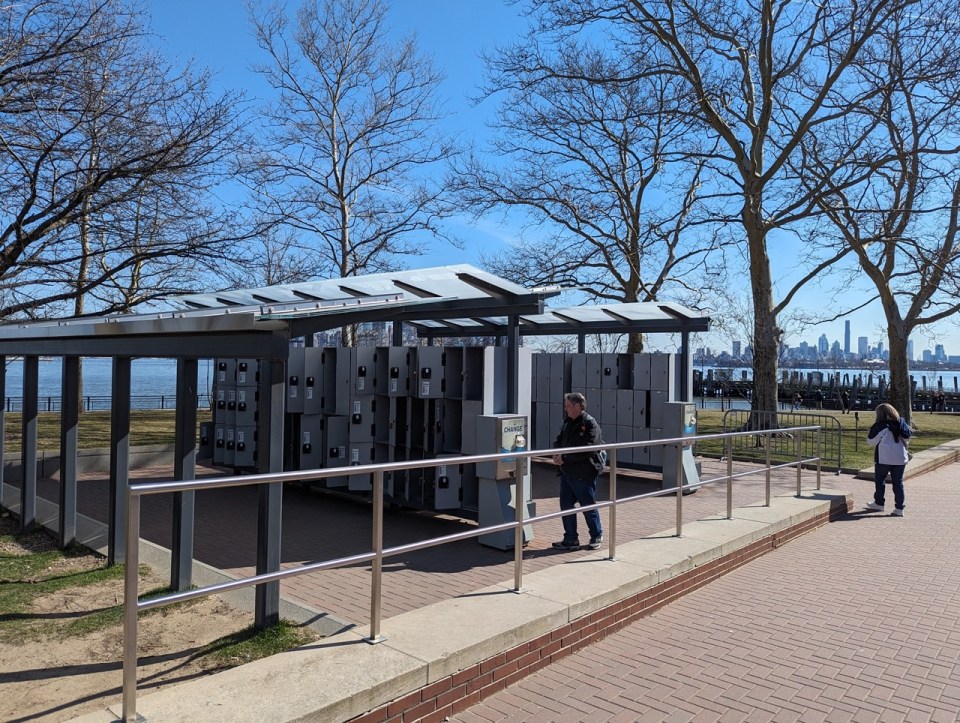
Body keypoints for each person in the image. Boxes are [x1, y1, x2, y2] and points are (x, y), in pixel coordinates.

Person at [551, 392, 605, 551]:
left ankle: (596, 535)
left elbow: (588, 449)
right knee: (566, 505)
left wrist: (565, 458)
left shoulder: (590, 424)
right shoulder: (567, 422)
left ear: (577, 406)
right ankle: (570, 539)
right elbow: (558, 441)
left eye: (568, 406)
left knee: (587, 505)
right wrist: (557, 454)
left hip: (583, 473)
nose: (565, 409)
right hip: (567, 471)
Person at [865, 403, 912, 517]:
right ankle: (899, 508)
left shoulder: (879, 426)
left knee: (880, 481)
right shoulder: (901, 423)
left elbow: (871, 442)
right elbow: (907, 437)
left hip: (884, 458)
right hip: (900, 458)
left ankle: (879, 503)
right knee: (898, 483)